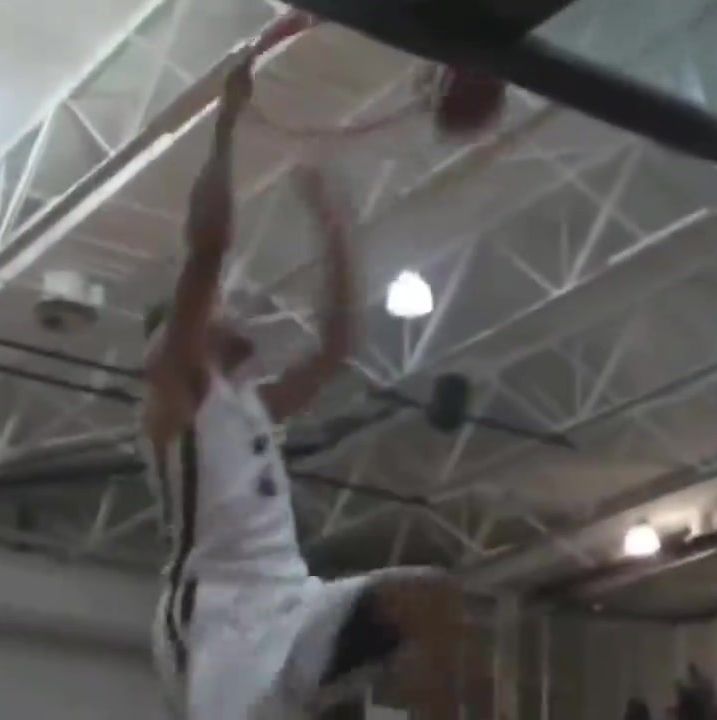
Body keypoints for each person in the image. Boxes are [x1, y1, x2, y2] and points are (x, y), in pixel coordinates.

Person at [141, 49, 470, 720]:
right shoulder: (178, 394)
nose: (230, 305)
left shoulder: (252, 406)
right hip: (218, 619)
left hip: (293, 599)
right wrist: (226, 121)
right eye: (214, 306)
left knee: (428, 597)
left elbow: (337, 345)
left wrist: (335, 230)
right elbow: (206, 249)